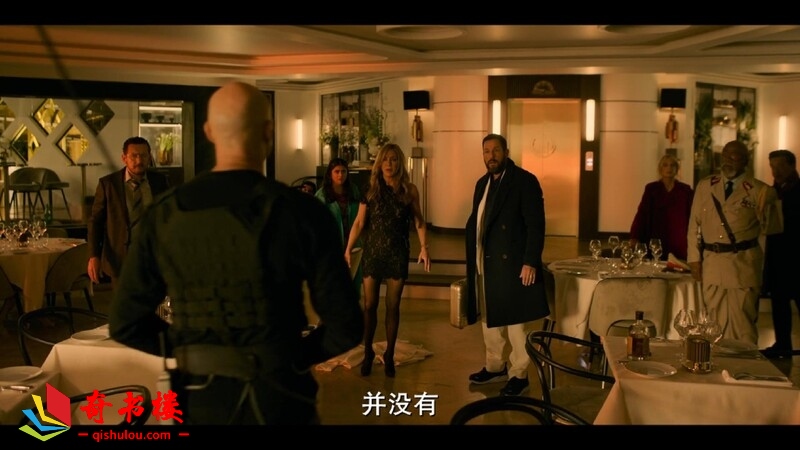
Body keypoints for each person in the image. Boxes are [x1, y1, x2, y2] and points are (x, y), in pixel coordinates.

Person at [109, 81, 363, 425]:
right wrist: (294, 356)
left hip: (200, 398)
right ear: (269, 132)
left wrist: (187, 348)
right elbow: (346, 324)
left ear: (209, 132)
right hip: (281, 395)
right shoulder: (303, 211)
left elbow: (125, 321)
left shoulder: (165, 213)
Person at [464, 133, 550, 397]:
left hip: (514, 264)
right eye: (486, 151)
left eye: (496, 150)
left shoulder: (524, 181)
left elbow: (535, 225)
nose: (491, 156)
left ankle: (519, 375)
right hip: (485, 262)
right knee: (489, 320)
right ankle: (495, 366)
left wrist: (530, 261)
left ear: (506, 152)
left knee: (516, 325)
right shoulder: (482, 184)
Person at [345, 143, 430, 378]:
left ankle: (390, 354)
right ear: (379, 163)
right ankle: (368, 352)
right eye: (385, 159)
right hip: (373, 252)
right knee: (370, 305)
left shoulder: (409, 190)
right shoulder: (371, 189)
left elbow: (419, 221)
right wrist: (348, 248)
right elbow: (359, 223)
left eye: (393, 159)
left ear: (399, 162)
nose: (389, 164)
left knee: (393, 306)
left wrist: (424, 247)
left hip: (397, 252)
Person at [687, 140, 782, 345]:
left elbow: (772, 230)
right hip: (713, 263)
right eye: (725, 156)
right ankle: (716, 360)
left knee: (743, 322)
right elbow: (693, 225)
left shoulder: (759, 190)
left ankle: (745, 361)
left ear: (745, 161)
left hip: (743, 264)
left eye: (734, 157)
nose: (728, 161)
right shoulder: (706, 186)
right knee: (713, 322)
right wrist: (694, 259)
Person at [87, 136, 170, 288]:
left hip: (152, 257)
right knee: (123, 301)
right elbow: (96, 221)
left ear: (149, 157)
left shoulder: (159, 181)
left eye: (143, 155)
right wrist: (94, 256)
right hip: (120, 258)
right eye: (134, 156)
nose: (139, 160)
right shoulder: (109, 184)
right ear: (124, 158)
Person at [761, 149, 800, 358]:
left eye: (780, 166)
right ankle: (782, 343)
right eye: (772, 167)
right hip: (778, 257)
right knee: (779, 303)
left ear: (792, 166)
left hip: (796, 256)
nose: (775, 171)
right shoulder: (773, 191)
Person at [629, 153, 694, 261]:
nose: (669, 168)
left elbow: (692, 215)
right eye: (665, 165)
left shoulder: (685, 190)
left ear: (677, 169)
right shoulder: (652, 189)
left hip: (678, 239)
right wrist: (635, 236)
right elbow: (642, 214)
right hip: (656, 237)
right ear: (660, 169)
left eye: (672, 165)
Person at [315, 157, 363, 295]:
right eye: (336, 171)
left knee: (353, 282)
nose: (340, 175)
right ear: (330, 174)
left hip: (352, 241)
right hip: (332, 244)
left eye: (343, 171)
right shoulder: (322, 195)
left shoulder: (353, 190)